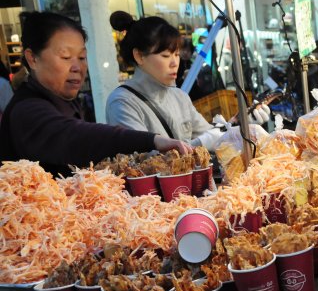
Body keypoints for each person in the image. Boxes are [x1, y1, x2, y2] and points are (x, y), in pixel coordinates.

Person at [0, 11, 190, 177]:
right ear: (32, 59)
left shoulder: (64, 101)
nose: (77, 67)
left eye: (82, 57)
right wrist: (152, 140)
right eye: (66, 57)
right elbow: (76, 137)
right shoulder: (26, 111)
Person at [105, 12, 221, 150]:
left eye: (176, 54)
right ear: (139, 56)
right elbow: (146, 160)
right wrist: (200, 143)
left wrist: (229, 132)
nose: (174, 63)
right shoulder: (122, 103)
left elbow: (209, 135)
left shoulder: (180, 97)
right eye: (165, 55)